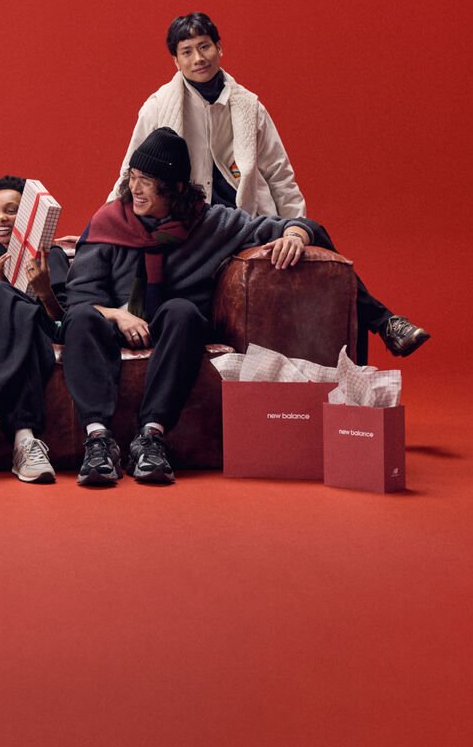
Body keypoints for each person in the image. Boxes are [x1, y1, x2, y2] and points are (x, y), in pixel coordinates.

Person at [115, 12, 429, 357]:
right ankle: (383, 320)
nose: (198, 58)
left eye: (204, 47)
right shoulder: (159, 106)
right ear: (175, 61)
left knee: (313, 239)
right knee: (310, 234)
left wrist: (297, 234)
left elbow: (279, 174)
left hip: (243, 221)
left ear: (220, 48)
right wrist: (105, 225)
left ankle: (385, 327)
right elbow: (130, 173)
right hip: (195, 226)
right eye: (187, 51)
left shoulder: (248, 105)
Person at [65, 127, 322, 487]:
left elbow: (296, 225)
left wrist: (296, 235)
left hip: (173, 330)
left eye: (148, 181)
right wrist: (118, 314)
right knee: (81, 318)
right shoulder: (110, 221)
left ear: (176, 188)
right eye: (133, 178)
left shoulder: (210, 223)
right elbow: (78, 299)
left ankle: (152, 437)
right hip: (113, 324)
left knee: (183, 310)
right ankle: (98, 439)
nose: (135, 189)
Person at [0, 176, 70, 483]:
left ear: (27, 217)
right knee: (1, 293)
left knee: (15, 304)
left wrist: (45, 292)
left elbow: (63, 326)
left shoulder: (52, 256)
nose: (0, 218)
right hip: (4, 341)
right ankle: (25, 439)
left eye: (11, 210)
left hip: (43, 332)